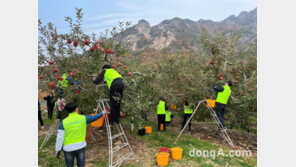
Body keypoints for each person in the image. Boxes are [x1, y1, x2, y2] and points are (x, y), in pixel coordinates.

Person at [55, 101, 107, 167]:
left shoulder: (63, 122)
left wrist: (58, 149)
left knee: (69, 165)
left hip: (68, 148)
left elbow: (60, 137)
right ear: (76, 109)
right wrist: (102, 113)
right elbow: (94, 117)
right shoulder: (83, 118)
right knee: (81, 165)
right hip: (80, 146)